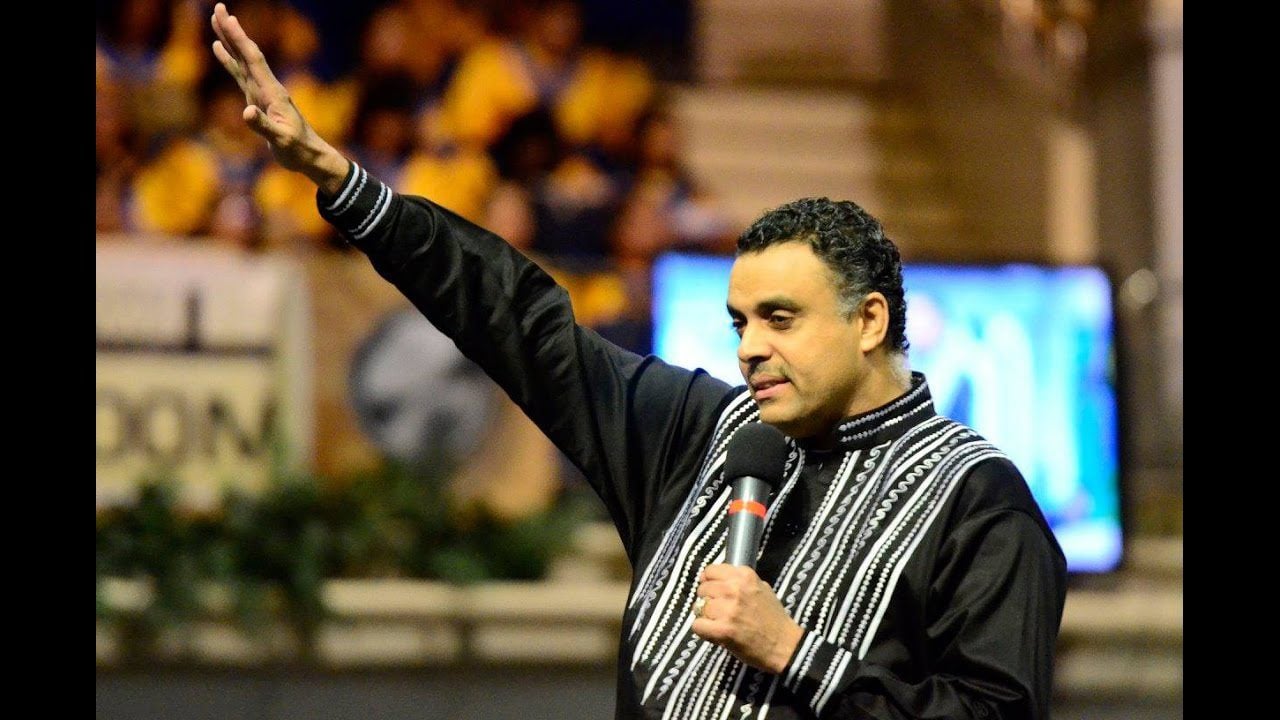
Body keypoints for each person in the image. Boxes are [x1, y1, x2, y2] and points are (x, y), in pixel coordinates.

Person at [209, 4, 1068, 717]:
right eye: (739, 322)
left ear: (869, 320)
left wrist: (795, 652)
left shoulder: (978, 503)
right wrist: (345, 184)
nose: (749, 348)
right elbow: (521, 323)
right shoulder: (704, 433)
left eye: (780, 319)